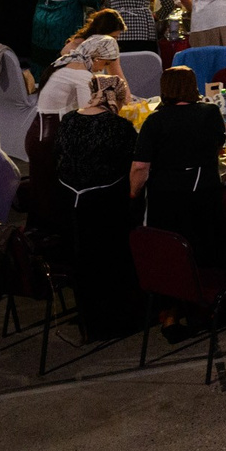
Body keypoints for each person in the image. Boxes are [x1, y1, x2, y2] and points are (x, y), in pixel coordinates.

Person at [56, 64, 142, 338]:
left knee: (83, 262)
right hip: (105, 204)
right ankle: (115, 320)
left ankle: (88, 317)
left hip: (69, 203)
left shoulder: (68, 120)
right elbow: (130, 166)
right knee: (110, 261)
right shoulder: (120, 127)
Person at [134, 64, 226, 264]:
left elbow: (141, 165)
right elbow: (220, 145)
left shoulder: (154, 121)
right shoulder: (210, 112)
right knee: (206, 252)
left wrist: (133, 192)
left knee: (172, 256)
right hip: (205, 191)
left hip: (167, 198)